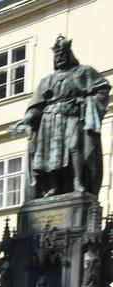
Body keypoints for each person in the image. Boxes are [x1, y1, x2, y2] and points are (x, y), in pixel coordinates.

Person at [10, 35, 109, 198]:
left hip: (72, 114)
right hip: (49, 119)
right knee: (50, 153)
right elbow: (37, 106)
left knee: (74, 146)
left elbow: (102, 88)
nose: (59, 58)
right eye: (57, 56)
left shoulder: (83, 72)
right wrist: (25, 120)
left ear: (69, 54)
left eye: (62, 55)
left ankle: (78, 181)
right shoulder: (47, 80)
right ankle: (53, 186)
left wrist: (87, 102)